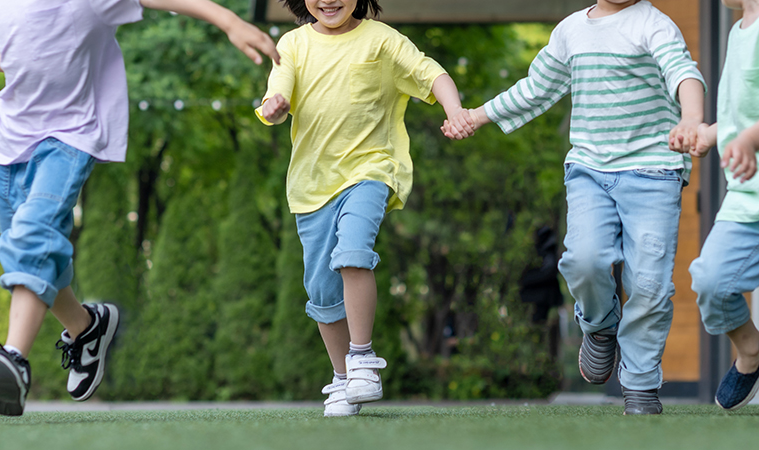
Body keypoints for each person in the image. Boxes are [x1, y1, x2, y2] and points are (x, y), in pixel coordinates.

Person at [0, 0, 279, 416]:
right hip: (11, 139)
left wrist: (228, 19)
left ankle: (14, 357)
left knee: (32, 236)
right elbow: (28, 56)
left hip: (70, 135)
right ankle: (86, 328)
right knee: (30, 257)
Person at [444, 0, 705, 414]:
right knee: (584, 260)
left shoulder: (655, 24)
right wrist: (477, 115)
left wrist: (691, 118)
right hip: (590, 171)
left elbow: (683, 73)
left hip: (654, 171)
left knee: (649, 283)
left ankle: (639, 383)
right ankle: (600, 326)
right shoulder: (571, 31)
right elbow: (536, 87)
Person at [256, 0, 473, 417]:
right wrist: (275, 105)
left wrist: (455, 110)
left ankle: (362, 358)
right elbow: (278, 88)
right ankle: (342, 379)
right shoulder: (293, 43)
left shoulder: (381, 39)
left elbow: (432, 73)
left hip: (371, 171)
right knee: (321, 292)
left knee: (353, 253)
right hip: (311, 187)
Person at [686, 0, 759, 412]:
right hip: (746, 198)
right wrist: (714, 134)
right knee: (712, 283)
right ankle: (751, 352)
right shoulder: (737, 30)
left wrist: (750, 140)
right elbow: (742, 111)